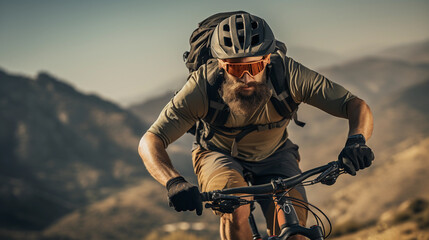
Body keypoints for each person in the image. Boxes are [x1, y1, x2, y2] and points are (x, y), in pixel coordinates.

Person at [138, 12, 374, 240]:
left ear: (268, 59)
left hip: (276, 153)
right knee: (236, 208)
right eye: (236, 69)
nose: (246, 78)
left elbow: (354, 105)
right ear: (221, 64)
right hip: (218, 154)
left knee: (295, 230)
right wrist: (174, 181)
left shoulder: (289, 74)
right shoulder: (202, 86)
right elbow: (150, 140)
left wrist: (356, 140)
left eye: (255, 67)